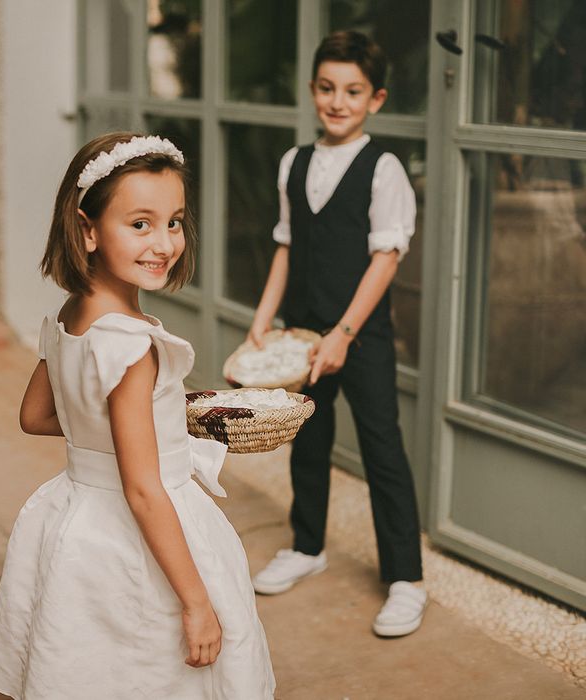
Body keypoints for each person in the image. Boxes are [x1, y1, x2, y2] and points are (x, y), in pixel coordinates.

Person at [0, 132, 275, 699]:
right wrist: (196, 604)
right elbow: (143, 490)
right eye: (139, 223)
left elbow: (37, 415)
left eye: (174, 221)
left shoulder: (71, 315)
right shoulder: (132, 344)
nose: (164, 242)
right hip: (137, 534)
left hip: (77, 521)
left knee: (96, 672)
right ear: (88, 230)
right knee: (154, 671)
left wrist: (151, 425)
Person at [248, 31, 427, 638]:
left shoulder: (384, 169)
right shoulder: (292, 163)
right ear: (312, 91)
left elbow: (385, 259)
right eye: (327, 89)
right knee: (309, 440)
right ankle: (306, 546)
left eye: (352, 91)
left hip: (362, 336)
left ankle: (405, 578)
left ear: (375, 99)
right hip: (300, 332)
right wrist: (262, 317)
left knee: (382, 449)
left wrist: (346, 333)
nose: (338, 102)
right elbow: (285, 244)